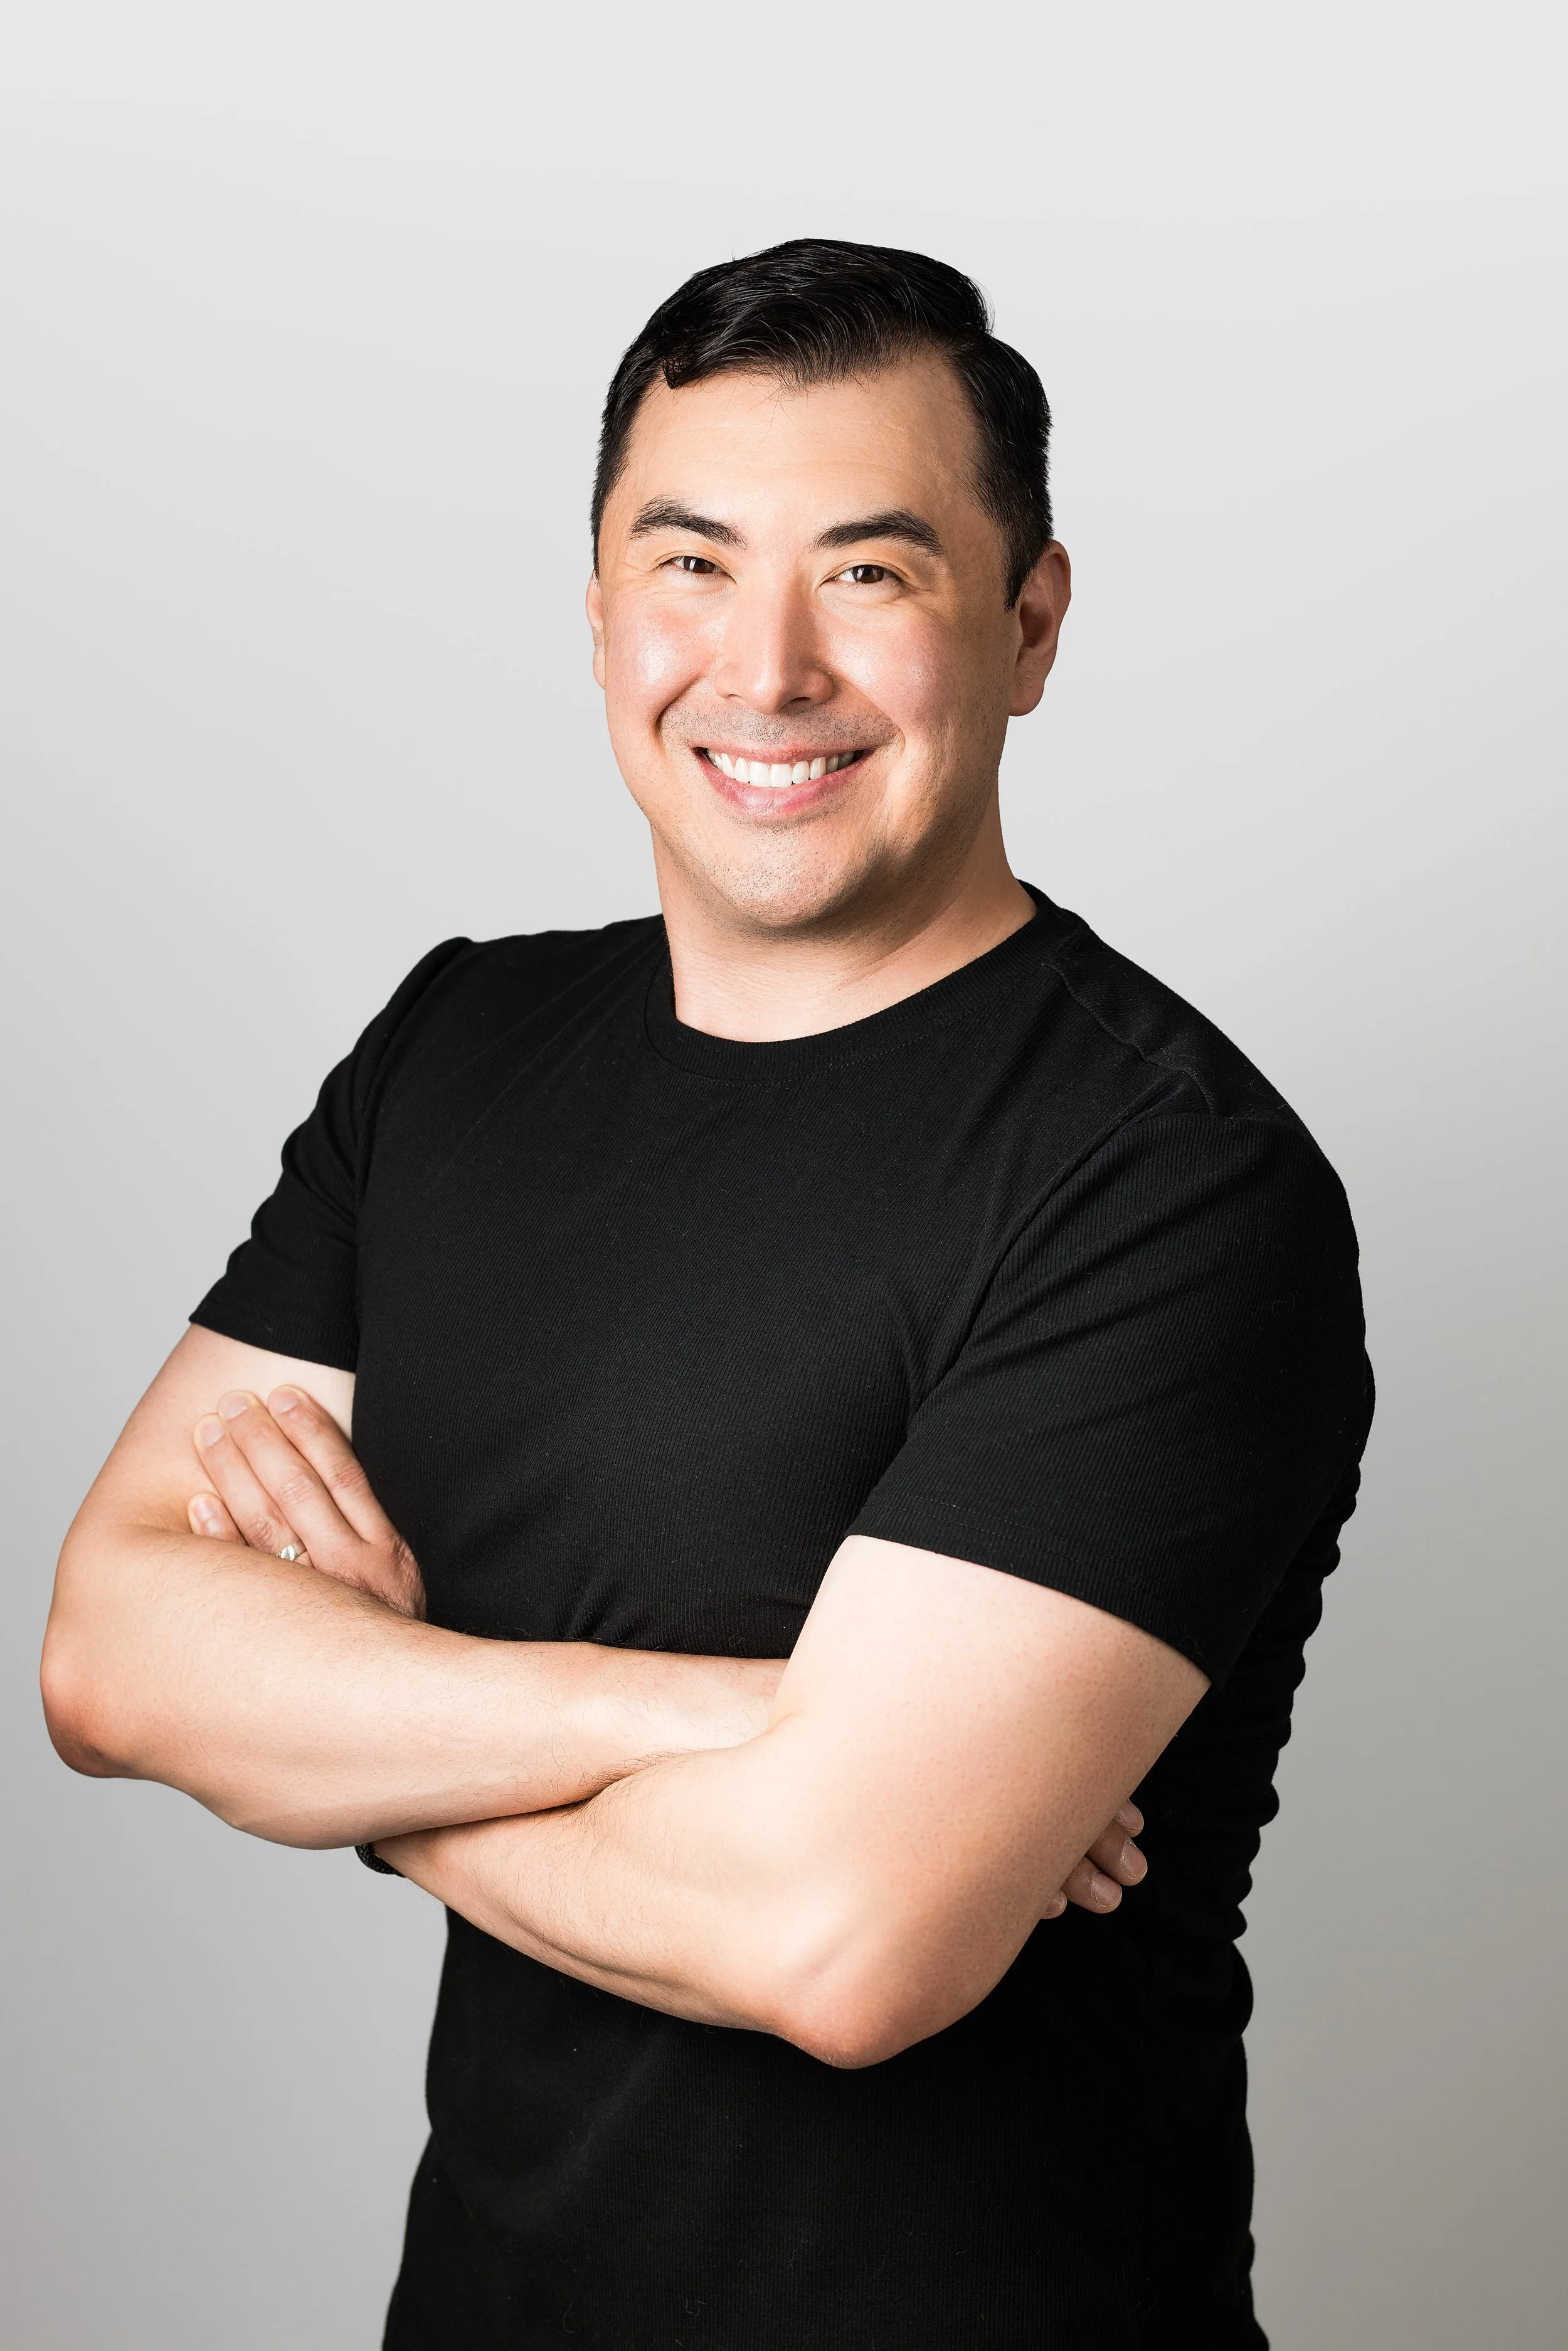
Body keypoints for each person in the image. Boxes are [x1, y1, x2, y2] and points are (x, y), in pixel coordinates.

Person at [42, 239, 1372, 2349]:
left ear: (1026, 624)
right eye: (687, 562)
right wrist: (714, 1717)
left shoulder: (1169, 1181)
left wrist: (355, 1737)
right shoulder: (454, 1051)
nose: (763, 669)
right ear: (593, 615)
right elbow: (114, 1659)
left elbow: (838, 1936)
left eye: (870, 571)